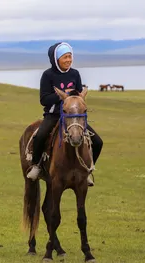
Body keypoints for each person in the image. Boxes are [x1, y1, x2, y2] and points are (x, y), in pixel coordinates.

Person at [26, 42, 103, 186]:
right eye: (65, 57)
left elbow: (79, 97)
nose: (68, 60)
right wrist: (63, 96)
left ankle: (88, 170)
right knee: (41, 135)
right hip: (54, 115)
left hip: (73, 117)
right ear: (56, 59)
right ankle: (36, 166)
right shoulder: (48, 75)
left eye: (70, 56)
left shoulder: (75, 74)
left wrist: (78, 98)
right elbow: (44, 99)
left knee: (98, 141)